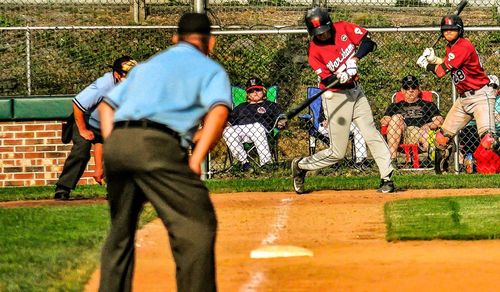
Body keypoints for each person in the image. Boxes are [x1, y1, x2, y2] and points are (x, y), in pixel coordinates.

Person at [97, 13, 231, 292]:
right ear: (211, 43)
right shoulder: (210, 69)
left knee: (120, 232)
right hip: (157, 145)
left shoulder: (147, 66)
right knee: (196, 226)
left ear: (174, 39)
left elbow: (106, 106)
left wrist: (113, 146)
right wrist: (196, 159)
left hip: (118, 143)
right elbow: (219, 111)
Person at [292, 7, 395, 194]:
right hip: (336, 98)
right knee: (337, 152)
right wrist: (341, 75)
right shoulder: (314, 50)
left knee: (371, 132)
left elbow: (369, 42)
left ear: (330, 24)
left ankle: (386, 178)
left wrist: (354, 60)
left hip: (357, 93)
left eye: (324, 31)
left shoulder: (343, 28)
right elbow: (326, 80)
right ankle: (301, 165)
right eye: (317, 33)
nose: (322, 35)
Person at [416, 14, 499, 173]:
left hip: (481, 95)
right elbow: (449, 63)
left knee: (488, 140)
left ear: (460, 30)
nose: (448, 32)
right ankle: (441, 174)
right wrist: (434, 59)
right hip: (463, 99)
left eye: (452, 29)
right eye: (445, 29)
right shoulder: (452, 47)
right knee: (441, 138)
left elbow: (441, 72)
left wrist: (426, 65)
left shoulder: (463, 46)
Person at [53, 56, 137, 200]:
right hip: (84, 121)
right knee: (81, 151)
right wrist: (83, 130)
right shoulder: (104, 85)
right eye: (127, 74)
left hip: (105, 124)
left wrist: (98, 169)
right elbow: (78, 104)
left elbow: (101, 140)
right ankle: (63, 188)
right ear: (117, 74)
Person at [223, 77, 285, 171]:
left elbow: (281, 118)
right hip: (241, 131)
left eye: (258, 89)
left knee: (256, 126)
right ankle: (244, 163)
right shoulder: (240, 107)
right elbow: (229, 122)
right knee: (227, 131)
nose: (255, 92)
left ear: (263, 91)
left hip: (262, 131)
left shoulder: (270, 105)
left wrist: (281, 121)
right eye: (251, 91)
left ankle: (266, 163)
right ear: (248, 94)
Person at [380, 75, 444, 161]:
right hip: (403, 134)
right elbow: (384, 121)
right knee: (396, 118)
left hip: (421, 133)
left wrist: (428, 125)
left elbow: (439, 121)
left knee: (426, 134)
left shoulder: (429, 105)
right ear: (402, 90)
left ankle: (435, 160)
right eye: (407, 87)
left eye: (413, 87)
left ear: (418, 89)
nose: (410, 90)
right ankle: (392, 159)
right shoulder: (395, 106)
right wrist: (394, 119)